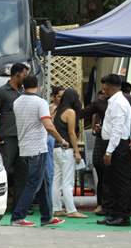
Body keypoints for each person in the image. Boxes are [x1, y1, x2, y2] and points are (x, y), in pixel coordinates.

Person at [11, 75, 69, 227]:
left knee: (44, 183)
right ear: (38, 86)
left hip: (25, 147)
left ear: (23, 86)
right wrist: (61, 140)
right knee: (33, 184)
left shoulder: (17, 101)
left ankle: (47, 216)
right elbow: (48, 125)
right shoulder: (40, 102)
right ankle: (18, 217)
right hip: (38, 148)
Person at [0, 63, 29, 208]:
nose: (26, 77)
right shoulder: (1, 91)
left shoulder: (25, 92)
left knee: (22, 172)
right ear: (17, 74)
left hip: (23, 138)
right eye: (25, 74)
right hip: (7, 137)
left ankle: (19, 206)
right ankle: (1, 203)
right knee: (4, 170)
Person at [97, 74, 131, 227]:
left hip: (118, 146)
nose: (103, 89)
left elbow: (117, 129)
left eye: (104, 86)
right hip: (115, 144)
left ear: (111, 86)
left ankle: (123, 216)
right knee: (111, 181)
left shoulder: (118, 103)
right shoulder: (115, 101)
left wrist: (109, 151)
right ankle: (114, 214)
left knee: (120, 182)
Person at [52, 88, 88, 218]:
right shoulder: (70, 112)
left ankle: (56, 208)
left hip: (56, 148)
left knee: (56, 180)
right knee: (67, 182)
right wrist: (77, 151)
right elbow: (72, 133)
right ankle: (71, 210)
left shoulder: (56, 111)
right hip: (66, 149)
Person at [82, 90, 108, 214]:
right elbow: (93, 131)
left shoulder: (113, 109)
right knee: (101, 177)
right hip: (99, 146)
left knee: (108, 177)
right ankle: (100, 204)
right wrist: (96, 129)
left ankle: (107, 204)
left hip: (109, 147)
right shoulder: (96, 115)